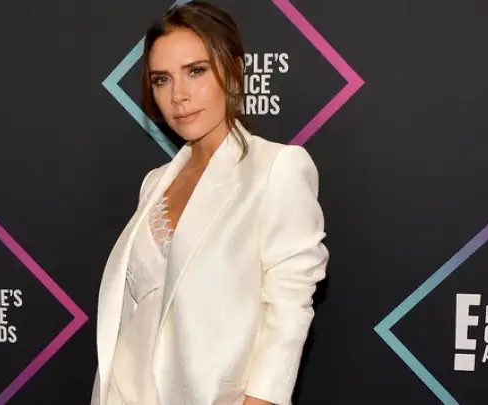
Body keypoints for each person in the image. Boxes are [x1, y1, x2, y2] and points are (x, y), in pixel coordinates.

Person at [90, 1, 329, 404]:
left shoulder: (276, 168)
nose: (178, 95)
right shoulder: (155, 184)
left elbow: (289, 307)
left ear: (233, 71)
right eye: (162, 79)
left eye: (196, 71)